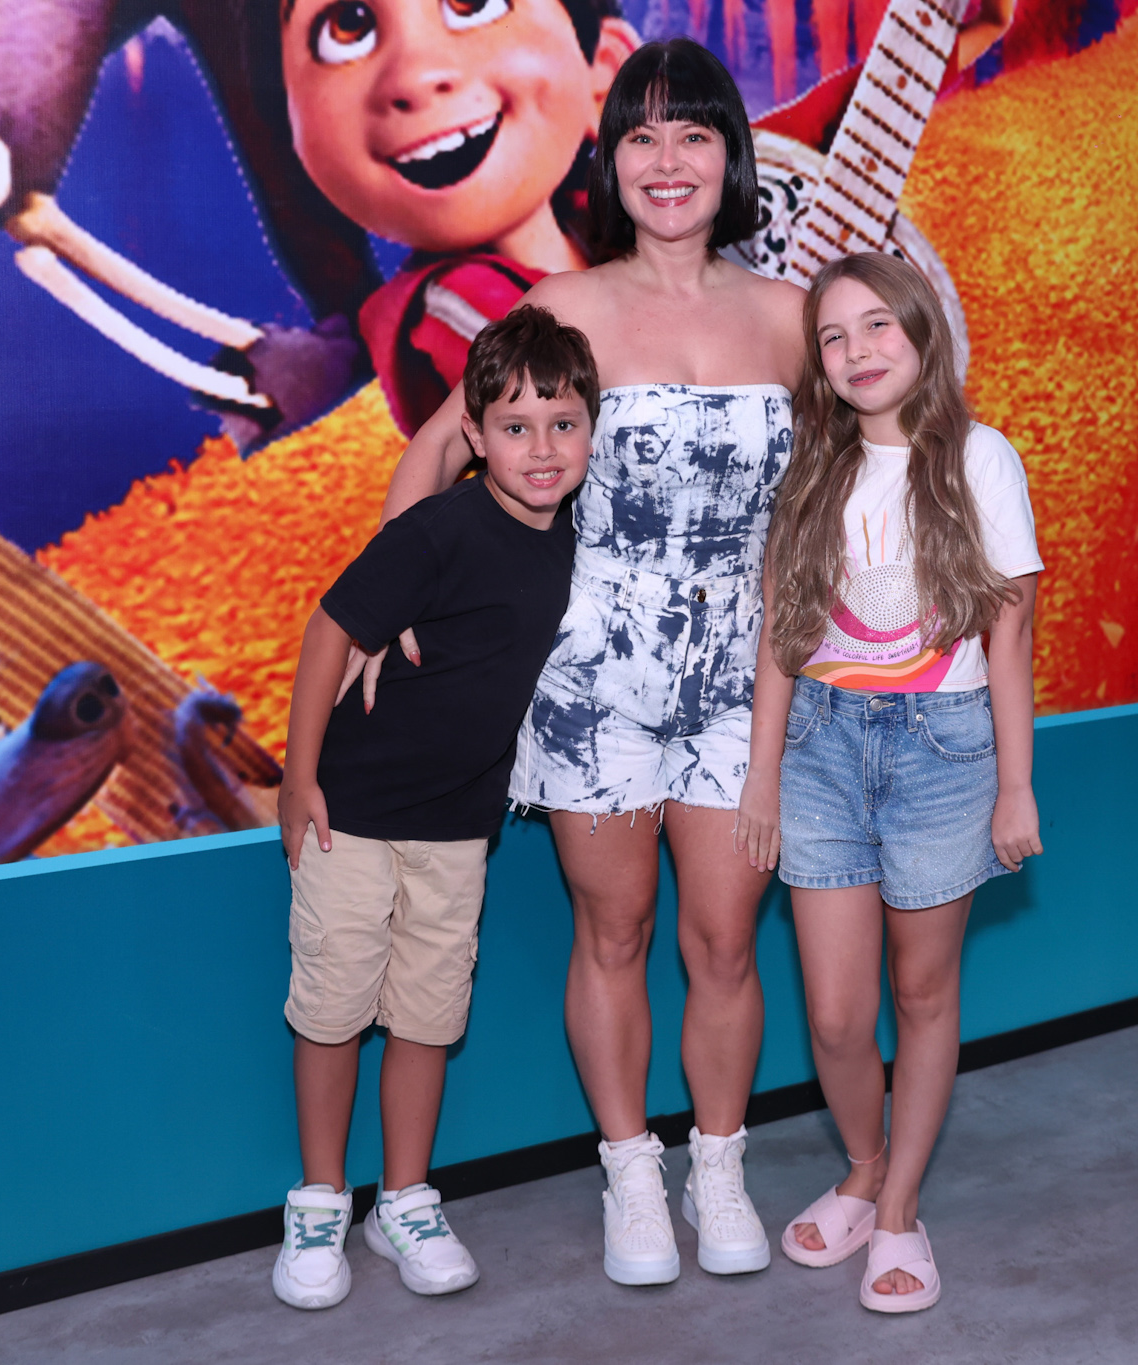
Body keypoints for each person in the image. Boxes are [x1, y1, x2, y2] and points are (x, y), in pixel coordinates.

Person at [363, 38, 807, 1286]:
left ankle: (718, 1169)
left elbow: (844, 495)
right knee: (612, 933)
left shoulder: (790, 316)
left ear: (730, 156)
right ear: (607, 162)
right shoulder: (559, 310)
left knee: (723, 941)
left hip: (742, 676)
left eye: (693, 134)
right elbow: (437, 451)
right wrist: (393, 602)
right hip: (591, 676)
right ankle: (631, 1176)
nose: (667, 162)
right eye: (640, 137)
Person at [270, 305, 595, 1309]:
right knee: (334, 1006)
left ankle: (404, 1199)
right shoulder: (439, 529)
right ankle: (319, 1201)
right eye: (514, 426)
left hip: (459, 828)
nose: (542, 448)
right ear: (474, 434)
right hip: (352, 814)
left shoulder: (584, 537)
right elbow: (330, 628)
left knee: (426, 1012)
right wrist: (299, 776)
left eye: (563, 423)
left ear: (592, 428)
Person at [759, 252, 1042, 1313]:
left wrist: (1015, 785)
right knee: (837, 1017)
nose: (857, 351)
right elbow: (778, 634)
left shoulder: (980, 457)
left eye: (877, 324)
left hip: (943, 751)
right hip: (820, 748)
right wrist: (760, 778)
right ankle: (865, 1165)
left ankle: (898, 1208)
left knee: (921, 994)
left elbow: (1009, 640)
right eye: (833, 337)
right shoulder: (813, 468)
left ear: (923, 328)